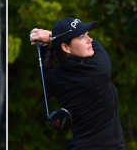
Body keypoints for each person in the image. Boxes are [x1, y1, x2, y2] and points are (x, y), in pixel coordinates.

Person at [30, 17, 126, 150]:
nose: (90, 39)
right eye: (82, 36)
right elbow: (97, 47)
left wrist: (47, 44)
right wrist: (51, 36)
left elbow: (46, 67)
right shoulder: (98, 69)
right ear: (65, 47)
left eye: (87, 34)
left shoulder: (53, 79)